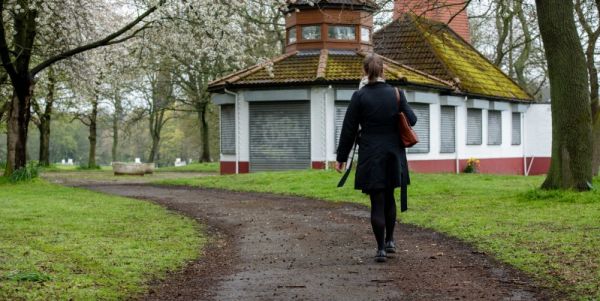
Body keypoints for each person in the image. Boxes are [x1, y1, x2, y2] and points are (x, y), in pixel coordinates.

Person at [335, 54, 417, 262]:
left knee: (377, 201)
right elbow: (413, 120)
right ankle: (390, 241)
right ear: (383, 71)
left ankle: (380, 249)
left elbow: (349, 129)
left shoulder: (359, 96)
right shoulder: (397, 93)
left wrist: (341, 158)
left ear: (365, 72)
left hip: (370, 155)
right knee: (389, 198)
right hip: (393, 154)